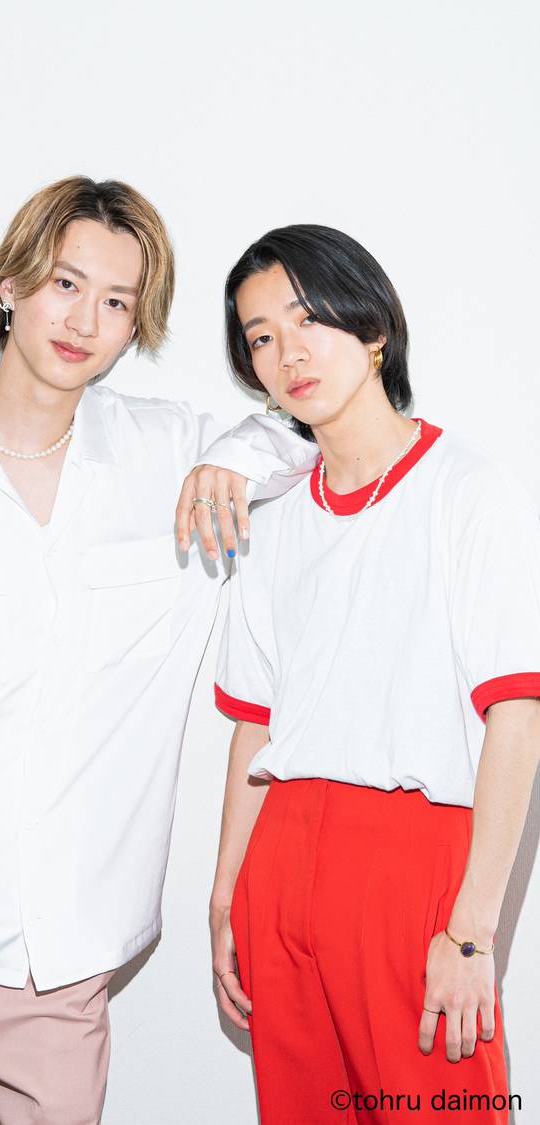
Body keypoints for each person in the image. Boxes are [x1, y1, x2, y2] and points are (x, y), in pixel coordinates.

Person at [0, 177, 319, 1125]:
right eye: (65, 284)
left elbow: (305, 438)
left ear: (135, 325)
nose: (83, 321)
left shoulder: (170, 456)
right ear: (11, 284)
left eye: (116, 301)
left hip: (58, 957)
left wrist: (231, 459)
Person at [191, 224, 540, 1124]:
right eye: (261, 336)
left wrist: (472, 929)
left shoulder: (469, 492)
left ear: (373, 327)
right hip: (282, 861)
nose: (288, 352)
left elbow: (518, 714)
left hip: (414, 864)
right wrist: (227, 893)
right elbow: (255, 724)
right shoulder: (273, 518)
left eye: (307, 318)